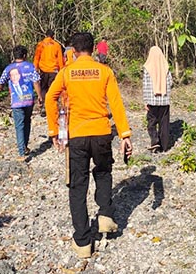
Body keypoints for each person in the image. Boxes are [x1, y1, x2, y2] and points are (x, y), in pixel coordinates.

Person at [46, 32, 133, 259]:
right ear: (93, 49)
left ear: (73, 51)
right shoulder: (105, 71)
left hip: (77, 135)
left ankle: (83, 241)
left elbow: (49, 98)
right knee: (103, 173)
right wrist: (125, 134)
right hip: (102, 132)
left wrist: (54, 130)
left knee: (78, 185)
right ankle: (105, 214)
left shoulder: (66, 73)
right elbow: (116, 103)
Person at [0, 46, 42, 162]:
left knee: (19, 126)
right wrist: (40, 96)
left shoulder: (9, 68)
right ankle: (25, 146)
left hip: (17, 102)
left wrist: (0, 89)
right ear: (25, 55)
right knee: (27, 122)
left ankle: (22, 153)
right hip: (29, 100)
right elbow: (36, 82)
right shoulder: (30, 66)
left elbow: (1, 81)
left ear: (14, 55)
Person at [143, 46, 172, 152]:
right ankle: (164, 146)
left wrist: (145, 101)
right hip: (164, 101)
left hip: (152, 100)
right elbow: (170, 83)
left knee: (151, 122)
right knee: (164, 123)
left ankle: (155, 141)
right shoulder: (165, 66)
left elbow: (146, 85)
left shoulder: (147, 67)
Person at [33, 30, 64, 116]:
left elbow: (36, 58)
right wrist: (61, 70)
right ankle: (52, 109)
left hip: (43, 70)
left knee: (43, 89)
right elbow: (60, 59)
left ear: (46, 35)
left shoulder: (41, 44)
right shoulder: (57, 45)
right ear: (53, 36)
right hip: (53, 71)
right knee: (52, 90)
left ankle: (43, 108)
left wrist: (35, 68)